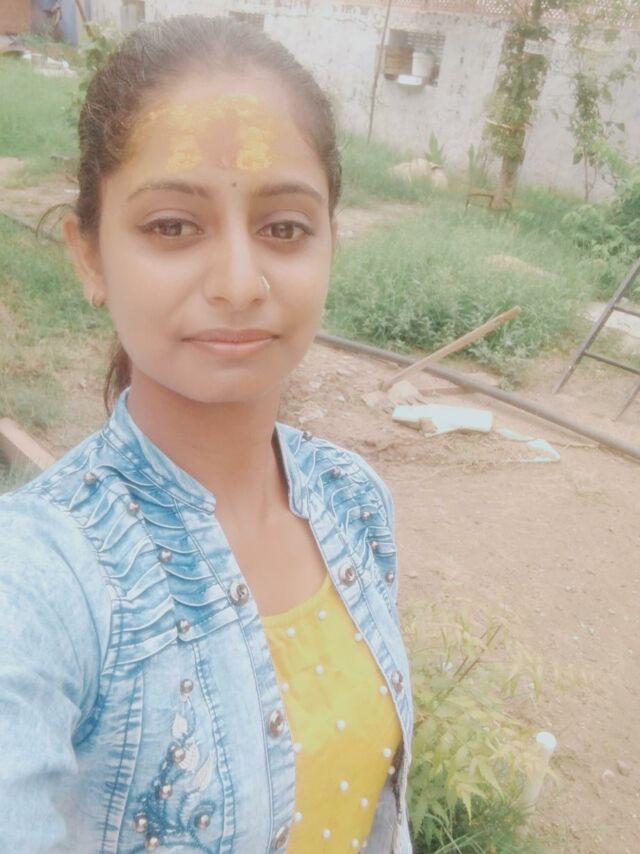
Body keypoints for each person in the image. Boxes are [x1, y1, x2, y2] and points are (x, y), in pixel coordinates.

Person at [0, 15, 414, 853]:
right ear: (88, 255)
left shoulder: (354, 502)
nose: (239, 282)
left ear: (330, 242)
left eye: (284, 228)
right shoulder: (38, 584)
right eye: (172, 226)